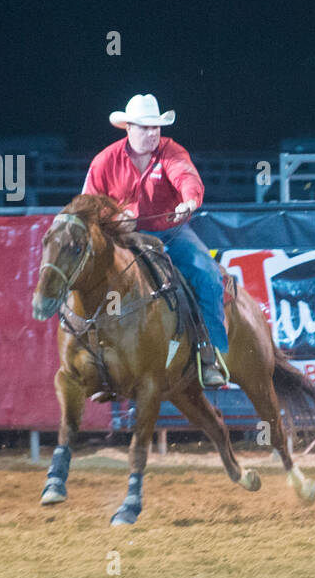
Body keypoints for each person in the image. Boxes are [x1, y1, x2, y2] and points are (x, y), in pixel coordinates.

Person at [82, 94, 227, 388]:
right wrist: (113, 217)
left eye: (155, 128)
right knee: (90, 278)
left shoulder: (171, 152)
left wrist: (188, 202)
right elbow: (88, 204)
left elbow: (187, 177)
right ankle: (95, 358)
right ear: (128, 128)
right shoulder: (104, 161)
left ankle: (209, 353)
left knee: (208, 274)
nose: (152, 133)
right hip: (123, 239)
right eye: (145, 127)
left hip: (170, 233)